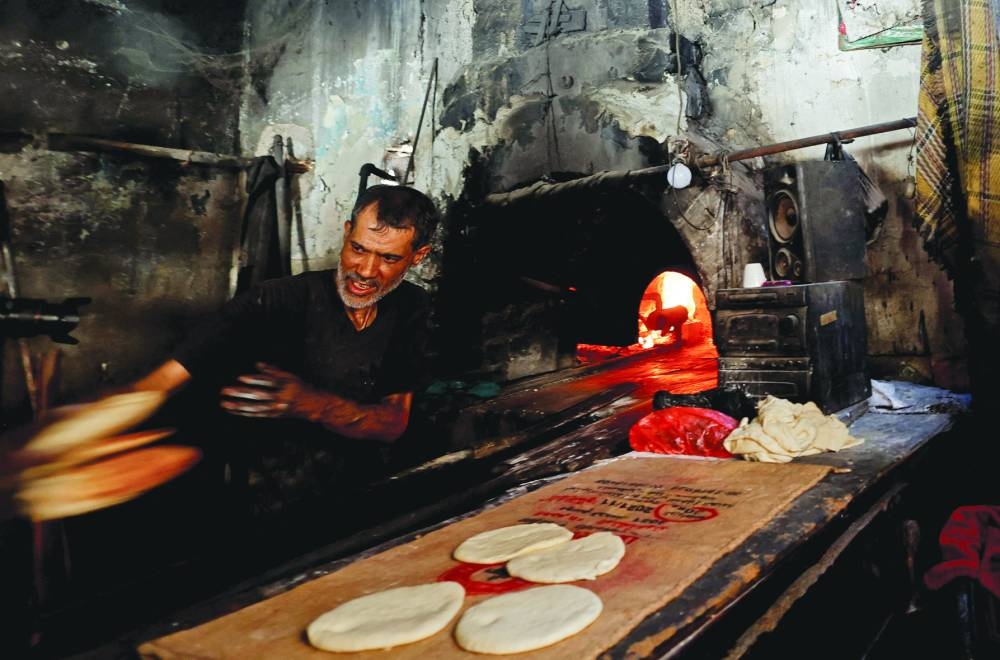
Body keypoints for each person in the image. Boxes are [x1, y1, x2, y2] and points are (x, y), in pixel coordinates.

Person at [132, 184, 438, 444]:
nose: (366, 270)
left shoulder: (411, 305)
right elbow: (158, 384)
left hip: (356, 485)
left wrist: (316, 405)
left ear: (418, 256)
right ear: (346, 233)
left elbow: (393, 423)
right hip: (270, 491)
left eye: (388, 257)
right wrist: (96, 422)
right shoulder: (275, 299)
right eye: (358, 249)